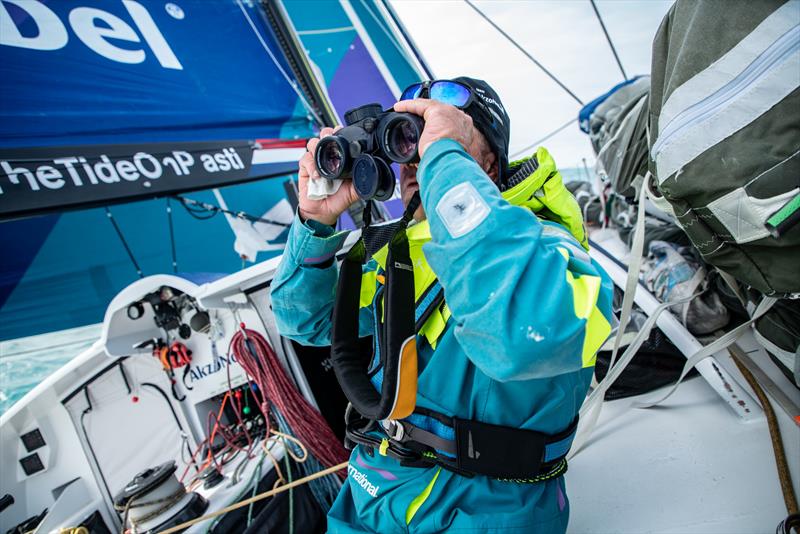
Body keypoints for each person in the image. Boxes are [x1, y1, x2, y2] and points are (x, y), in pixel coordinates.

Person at [271, 77, 614, 533]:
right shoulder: (403, 256)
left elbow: (521, 336)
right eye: (408, 146)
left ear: (488, 163)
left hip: (480, 514)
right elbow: (307, 322)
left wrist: (445, 162)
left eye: (431, 143)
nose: (414, 161)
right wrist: (314, 223)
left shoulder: (548, 248)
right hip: (372, 501)